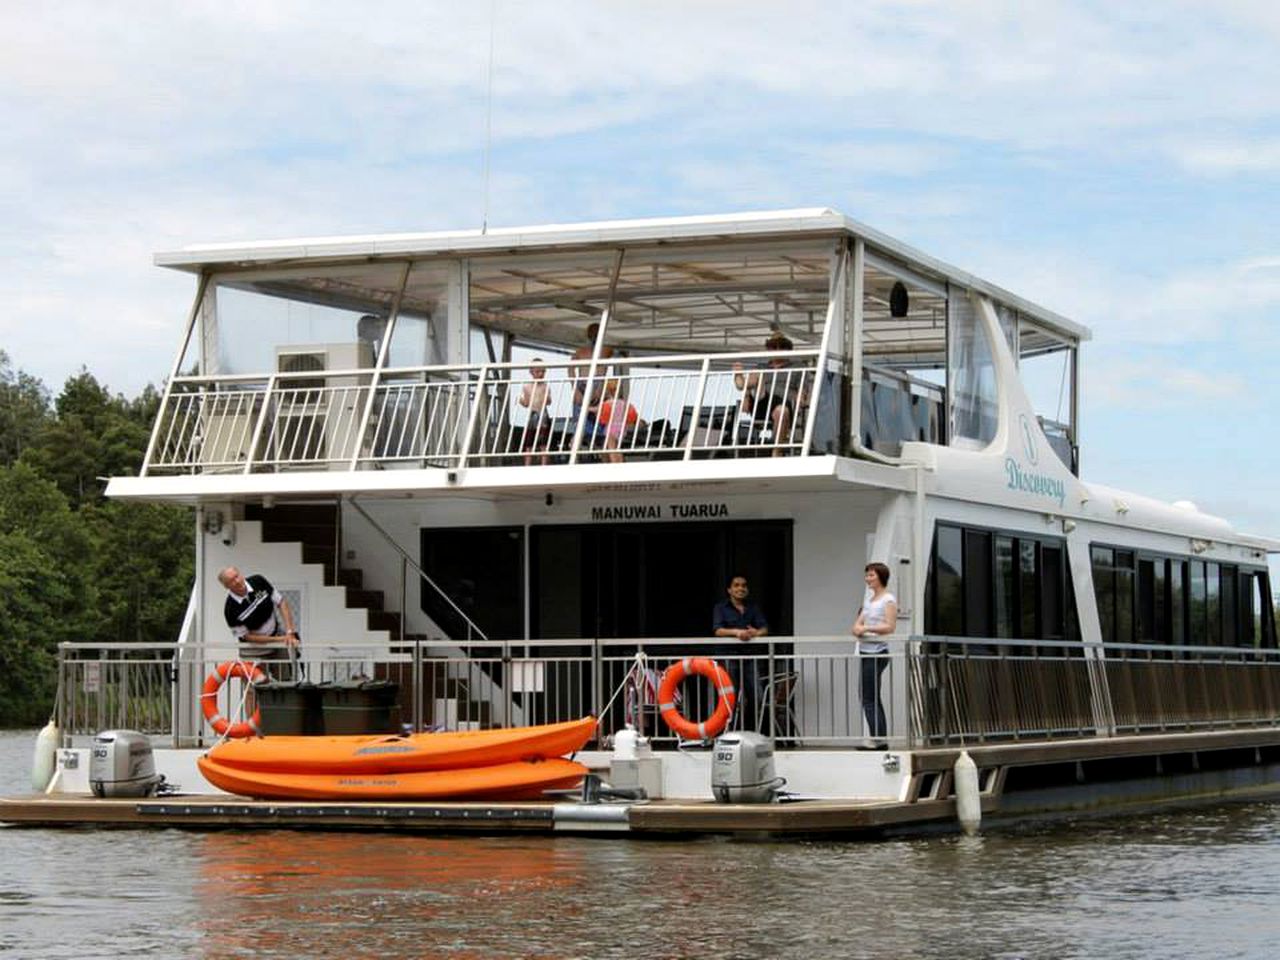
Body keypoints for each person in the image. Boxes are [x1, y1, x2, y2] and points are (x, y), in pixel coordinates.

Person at [733, 333, 808, 456]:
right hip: (762, 402)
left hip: (784, 404)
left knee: (781, 411)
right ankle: (739, 377)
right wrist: (746, 397)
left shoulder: (798, 367)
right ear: (768, 349)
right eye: (773, 346)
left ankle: (776, 451)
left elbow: (802, 391)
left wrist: (801, 399)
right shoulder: (761, 367)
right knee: (758, 375)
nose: (777, 349)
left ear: (788, 349)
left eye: (782, 346)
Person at [712, 575, 769, 730]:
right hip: (729, 657)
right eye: (736, 585)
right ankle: (727, 733)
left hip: (750, 657)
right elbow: (718, 630)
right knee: (730, 697)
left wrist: (755, 633)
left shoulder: (753, 608)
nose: (740, 588)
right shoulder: (721, 608)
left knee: (757, 696)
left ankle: (753, 731)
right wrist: (737, 632)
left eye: (743, 585)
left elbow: (764, 629)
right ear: (729, 590)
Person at [851, 561, 896, 747]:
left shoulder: (888, 600)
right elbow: (856, 625)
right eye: (867, 575)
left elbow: (890, 626)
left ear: (881, 577)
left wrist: (866, 628)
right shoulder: (869, 602)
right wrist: (858, 629)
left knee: (869, 697)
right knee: (869, 696)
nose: (868, 578)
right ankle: (879, 738)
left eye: (871, 575)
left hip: (877, 652)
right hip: (865, 651)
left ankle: (878, 740)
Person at [219, 566, 299, 668]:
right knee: (258, 682)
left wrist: (289, 632)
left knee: (284, 678)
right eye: (232, 581)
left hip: (277, 636)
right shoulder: (230, 609)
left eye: (237, 576)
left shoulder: (258, 581)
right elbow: (248, 637)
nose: (237, 581)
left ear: (240, 574)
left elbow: (281, 602)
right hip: (253, 650)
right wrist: (280, 639)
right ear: (226, 586)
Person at [597, 379, 641, 462]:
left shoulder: (607, 403)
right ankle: (615, 462)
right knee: (612, 447)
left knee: (612, 446)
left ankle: (616, 463)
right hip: (621, 428)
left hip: (611, 428)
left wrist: (587, 408)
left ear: (607, 391)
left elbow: (599, 413)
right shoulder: (623, 403)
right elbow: (632, 416)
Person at [517, 359, 552, 465]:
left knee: (544, 442)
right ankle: (527, 465)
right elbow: (527, 403)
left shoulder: (545, 386)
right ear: (531, 372)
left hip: (543, 414)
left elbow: (549, 401)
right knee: (529, 442)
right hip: (533, 414)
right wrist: (520, 401)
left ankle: (544, 465)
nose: (540, 374)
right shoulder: (527, 387)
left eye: (543, 371)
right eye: (538, 372)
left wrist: (547, 398)